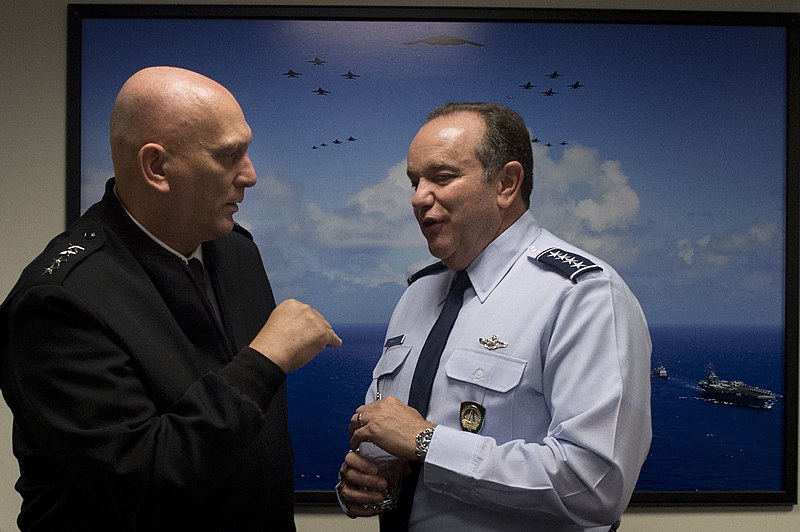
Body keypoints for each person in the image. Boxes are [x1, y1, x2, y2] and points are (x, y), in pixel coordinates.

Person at [0, 66, 342, 531]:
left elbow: (254, 449)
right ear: (157, 167)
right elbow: (143, 485)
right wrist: (264, 361)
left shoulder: (236, 250)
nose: (251, 175)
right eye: (230, 156)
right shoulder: (56, 303)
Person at [337, 102, 651, 532]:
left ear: (507, 183)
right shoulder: (418, 293)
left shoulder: (583, 295)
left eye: (442, 177)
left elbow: (594, 487)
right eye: (414, 182)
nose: (417, 198)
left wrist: (428, 443)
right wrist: (374, 479)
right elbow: (392, 438)